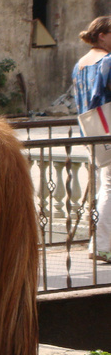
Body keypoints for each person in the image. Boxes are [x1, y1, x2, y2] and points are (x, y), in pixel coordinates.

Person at [73, 16, 111, 263]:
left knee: (103, 185)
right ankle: (101, 245)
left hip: (91, 129)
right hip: (109, 128)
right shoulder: (107, 61)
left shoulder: (81, 63)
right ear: (102, 35)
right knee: (109, 188)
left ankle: (96, 243)